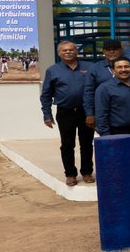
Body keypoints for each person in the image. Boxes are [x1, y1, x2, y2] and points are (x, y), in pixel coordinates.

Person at [93, 56, 130, 206]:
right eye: (119, 67)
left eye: (126, 67)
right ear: (113, 70)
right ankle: (123, 201)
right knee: (120, 169)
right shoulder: (104, 88)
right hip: (118, 133)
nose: (124, 70)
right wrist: (106, 138)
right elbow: (101, 115)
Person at [40, 40, 94, 187]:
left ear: (76, 51)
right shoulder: (53, 70)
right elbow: (46, 95)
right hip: (65, 112)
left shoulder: (89, 67)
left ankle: (87, 172)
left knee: (87, 143)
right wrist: (47, 115)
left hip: (86, 112)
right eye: (65, 50)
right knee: (67, 145)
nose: (68, 52)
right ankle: (70, 174)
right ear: (59, 53)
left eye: (71, 50)